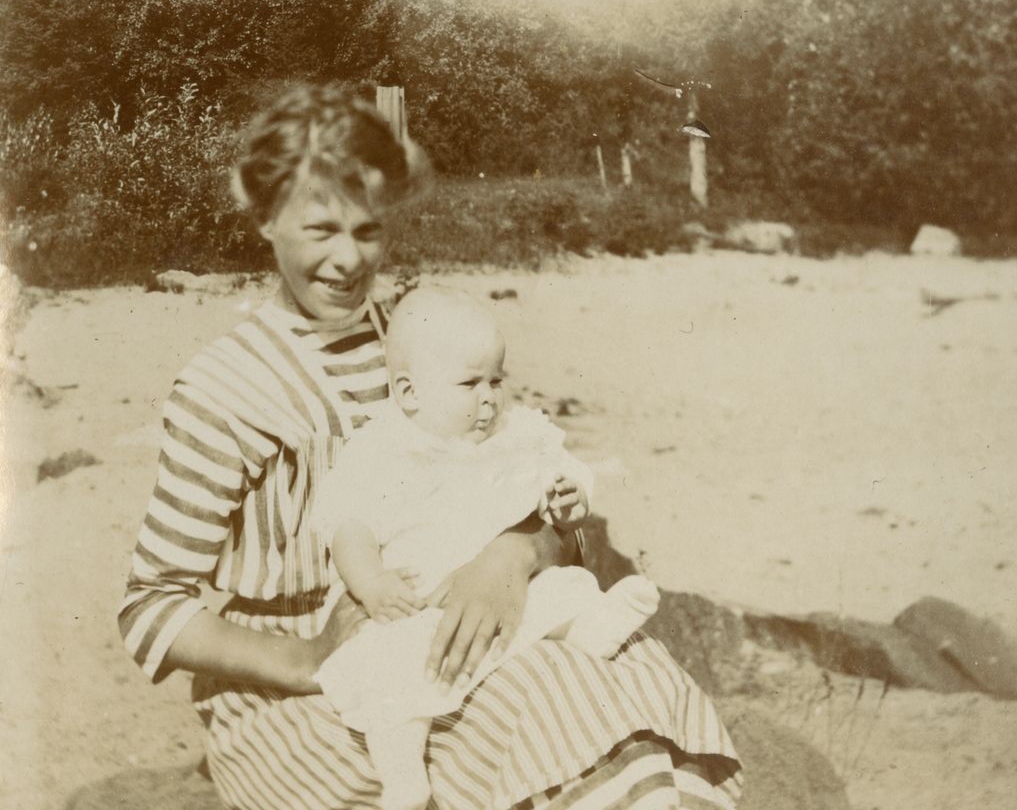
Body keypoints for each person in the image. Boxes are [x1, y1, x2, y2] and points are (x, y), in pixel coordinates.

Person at [118, 83, 742, 810]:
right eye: (320, 230)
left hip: (456, 615)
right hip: (303, 686)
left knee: (624, 669)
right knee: (543, 697)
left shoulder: (421, 335)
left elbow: (520, 479)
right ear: (265, 218)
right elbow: (149, 606)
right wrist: (306, 658)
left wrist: (512, 553)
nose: (348, 260)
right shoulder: (226, 387)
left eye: (368, 231)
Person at [313, 287, 663, 810]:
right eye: (469, 383)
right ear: (409, 393)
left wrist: (572, 500)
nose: (489, 399)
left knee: (562, 587)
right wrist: (372, 583)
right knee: (389, 668)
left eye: (496, 380)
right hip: (420, 602)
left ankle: (590, 626)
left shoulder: (513, 436)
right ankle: (403, 771)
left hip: (508, 592)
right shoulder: (385, 449)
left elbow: (564, 477)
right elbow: (349, 524)